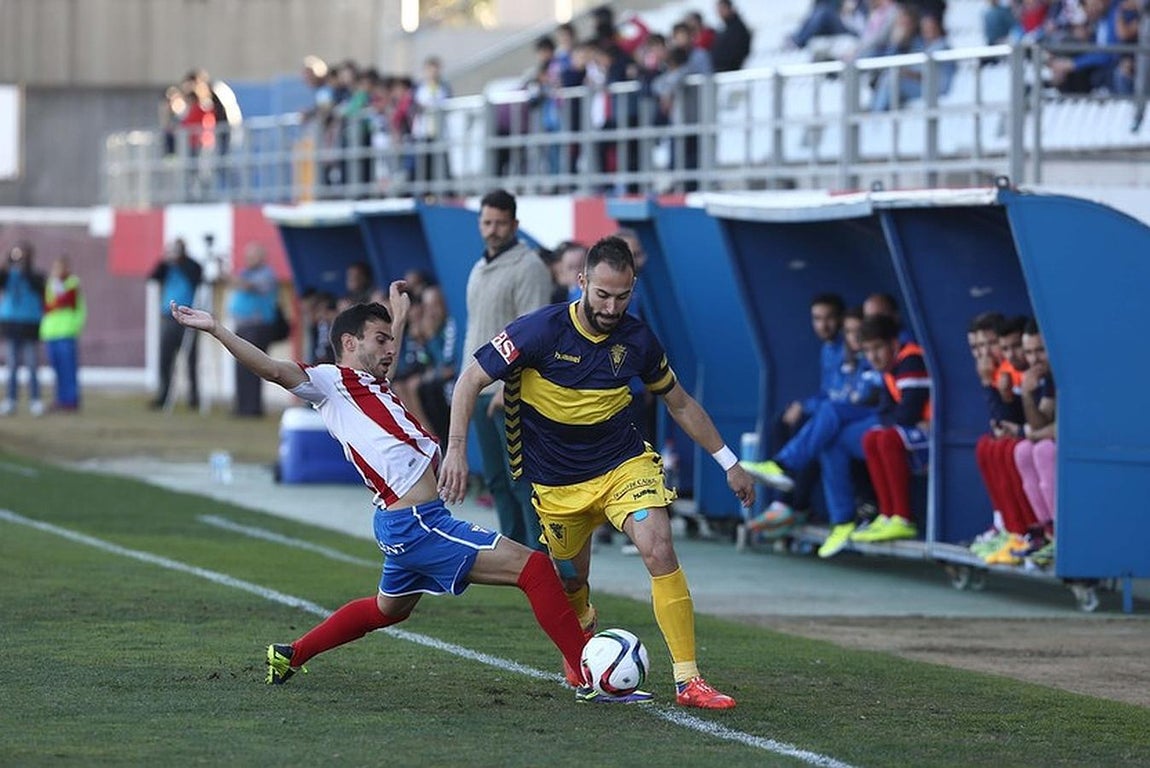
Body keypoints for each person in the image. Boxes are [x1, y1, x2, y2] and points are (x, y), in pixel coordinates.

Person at [168, 283, 609, 702]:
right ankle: (585, 673)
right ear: (348, 343)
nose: (390, 349)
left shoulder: (371, 385)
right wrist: (217, 328)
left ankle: (291, 654)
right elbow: (271, 368)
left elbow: (385, 365)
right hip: (418, 524)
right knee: (535, 569)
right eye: (379, 341)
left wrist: (397, 318)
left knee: (387, 611)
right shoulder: (329, 383)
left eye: (390, 342)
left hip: (404, 522)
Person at [440, 235, 756, 710]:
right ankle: (584, 631)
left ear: (633, 288)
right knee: (571, 581)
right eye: (602, 294)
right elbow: (469, 379)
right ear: (581, 281)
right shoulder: (539, 330)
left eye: (622, 296)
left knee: (659, 548)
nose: (611, 307)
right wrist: (456, 450)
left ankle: (688, 680)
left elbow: (680, 403)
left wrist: (729, 462)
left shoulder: (638, 340)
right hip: (557, 482)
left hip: (622, 466)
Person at [459, 190, 555, 550]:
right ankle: (513, 559)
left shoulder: (529, 267)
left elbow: (535, 334)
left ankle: (539, 558)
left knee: (522, 481)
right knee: (497, 480)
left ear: (514, 224)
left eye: (500, 223)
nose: (493, 229)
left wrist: (509, 386)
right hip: (479, 388)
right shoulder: (479, 267)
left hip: (510, 392)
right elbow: (477, 330)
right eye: (487, 222)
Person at [851, 314, 932, 545]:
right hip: (915, 430)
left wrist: (898, 418)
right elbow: (884, 412)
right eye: (867, 350)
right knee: (871, 438)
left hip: (935, 432)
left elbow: (908, 413)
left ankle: (903, 518)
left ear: (894, 344)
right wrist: (896, 418)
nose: (872, 356)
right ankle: (887, 515)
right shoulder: (889, 368)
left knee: (887, 439)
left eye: (878, 348)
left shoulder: (911, 360)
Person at [147, 238, 203, 410]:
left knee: (191, 359)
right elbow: (153, 276)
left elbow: (198, 275)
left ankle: (193, 397)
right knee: (165, 358)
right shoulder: (167, 266)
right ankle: (164, 395)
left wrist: (181, 261)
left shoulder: (191, 266)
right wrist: (165, 260)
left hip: (189, 317)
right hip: (168, 316)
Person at [228, 243, 279, 417]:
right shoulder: (245, 272)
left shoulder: (266, 274)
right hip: (244, 325)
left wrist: (231, 277)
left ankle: (252, 407)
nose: (248, 259)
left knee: (253, 367)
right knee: (241, 368)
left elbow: (248, 286)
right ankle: (242, 405)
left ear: (261, 258)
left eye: (252, 256)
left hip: (257, 326)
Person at [0, 242, 47, 416]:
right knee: (12, 365)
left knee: (32, 364)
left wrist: (26, 267)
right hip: (11, 324)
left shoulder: (35, 275)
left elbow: (39, 286)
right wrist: (8, 261)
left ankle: (35, 400)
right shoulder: (9, 275)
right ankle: (10, 400)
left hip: (30, 325)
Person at [40, 253, 86, 412]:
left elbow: (64, 302)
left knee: (68, 368)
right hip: (51, 332)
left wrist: (55, 299)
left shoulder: (72, 283)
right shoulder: (50, 284)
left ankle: (71, 400)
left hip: (66, 331)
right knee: (57, 369)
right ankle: (60, 399)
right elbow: (46, 306)